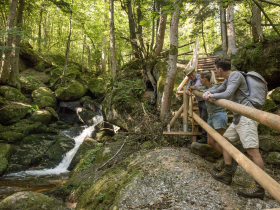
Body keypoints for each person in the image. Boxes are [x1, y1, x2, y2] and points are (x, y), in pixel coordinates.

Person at [203, 58, 265, 200]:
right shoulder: (228, 78)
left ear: (219, 69)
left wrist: (211, 96)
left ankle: (260, 187)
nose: (216, 71)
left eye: (215, 69)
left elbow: (227, 93)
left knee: (252, 151)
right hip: (239, 117)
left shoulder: (235, 75)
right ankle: (228, 173)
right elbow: (219, 89)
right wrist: (208, 92)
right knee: (225, 140)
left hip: (247, 116)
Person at [184, 67, 208, 143]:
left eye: (191, 74)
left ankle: (206, 137)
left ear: (194, 72)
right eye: (189, 76)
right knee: (201, 118)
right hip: (200, 101)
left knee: (204, 119)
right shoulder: (191, 81)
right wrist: (189, 91)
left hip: (205, 101)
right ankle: (205, 136)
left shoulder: (199, 77)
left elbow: (196, 87)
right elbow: (186, 90)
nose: (191, 76)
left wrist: (190, 89)